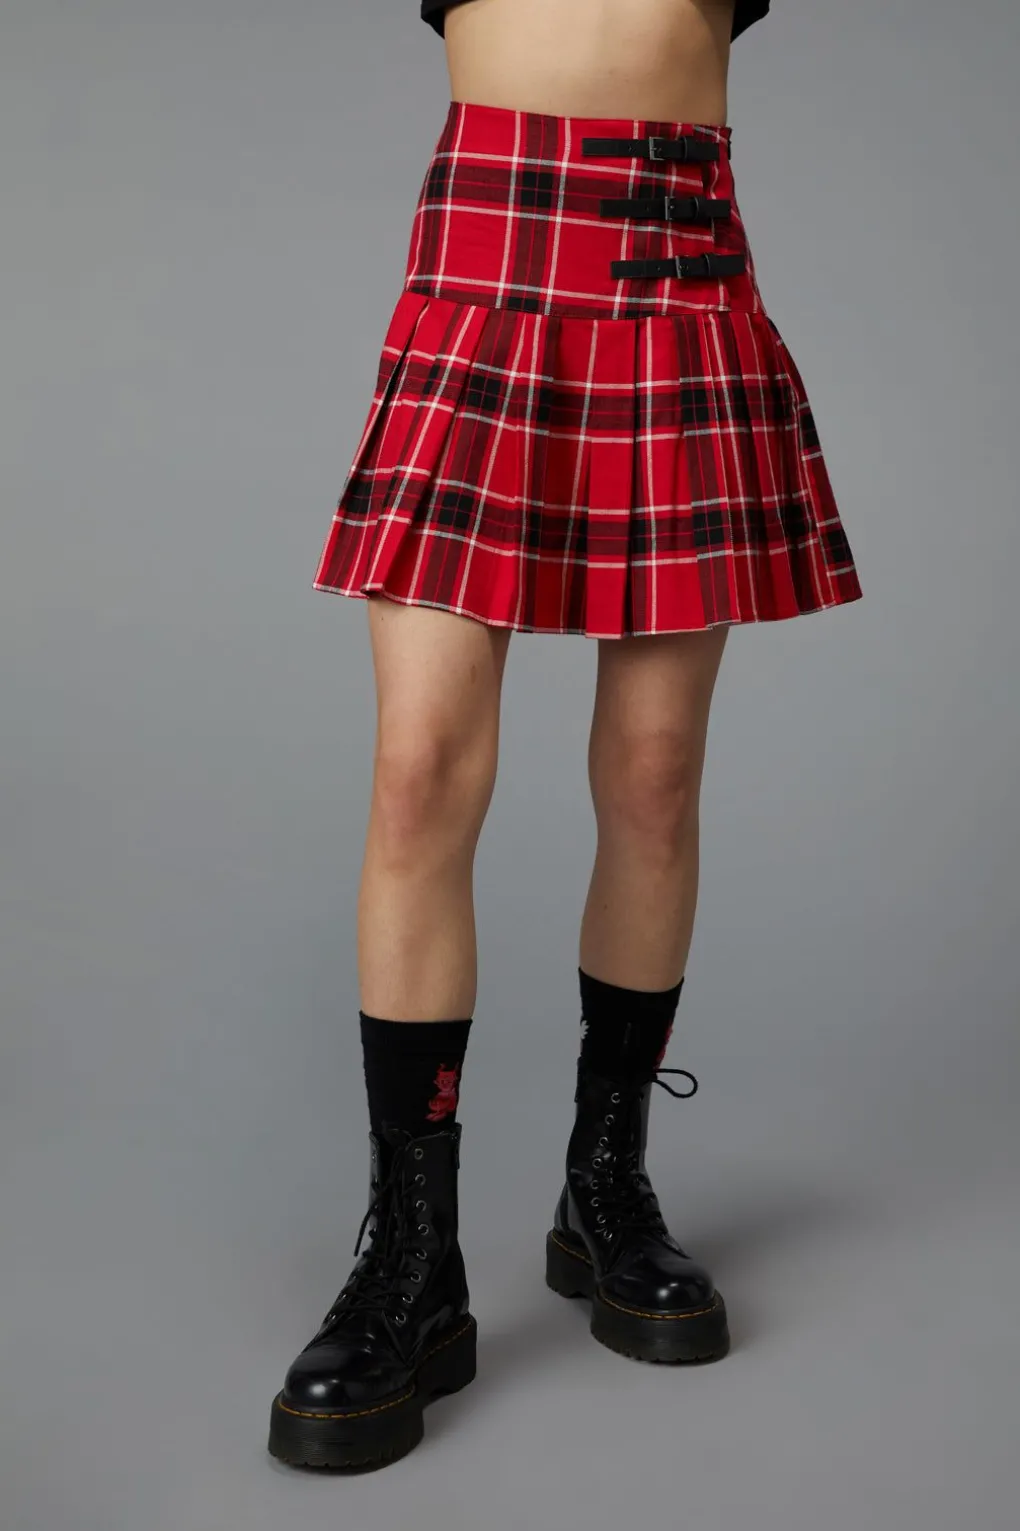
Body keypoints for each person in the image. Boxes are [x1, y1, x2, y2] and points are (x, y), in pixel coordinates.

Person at [267, 0, 862, 1470]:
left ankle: (605, 1188)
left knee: (654, 778)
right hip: (486, 258)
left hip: (674, 260)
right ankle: (414, 1259)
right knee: (419, 773)